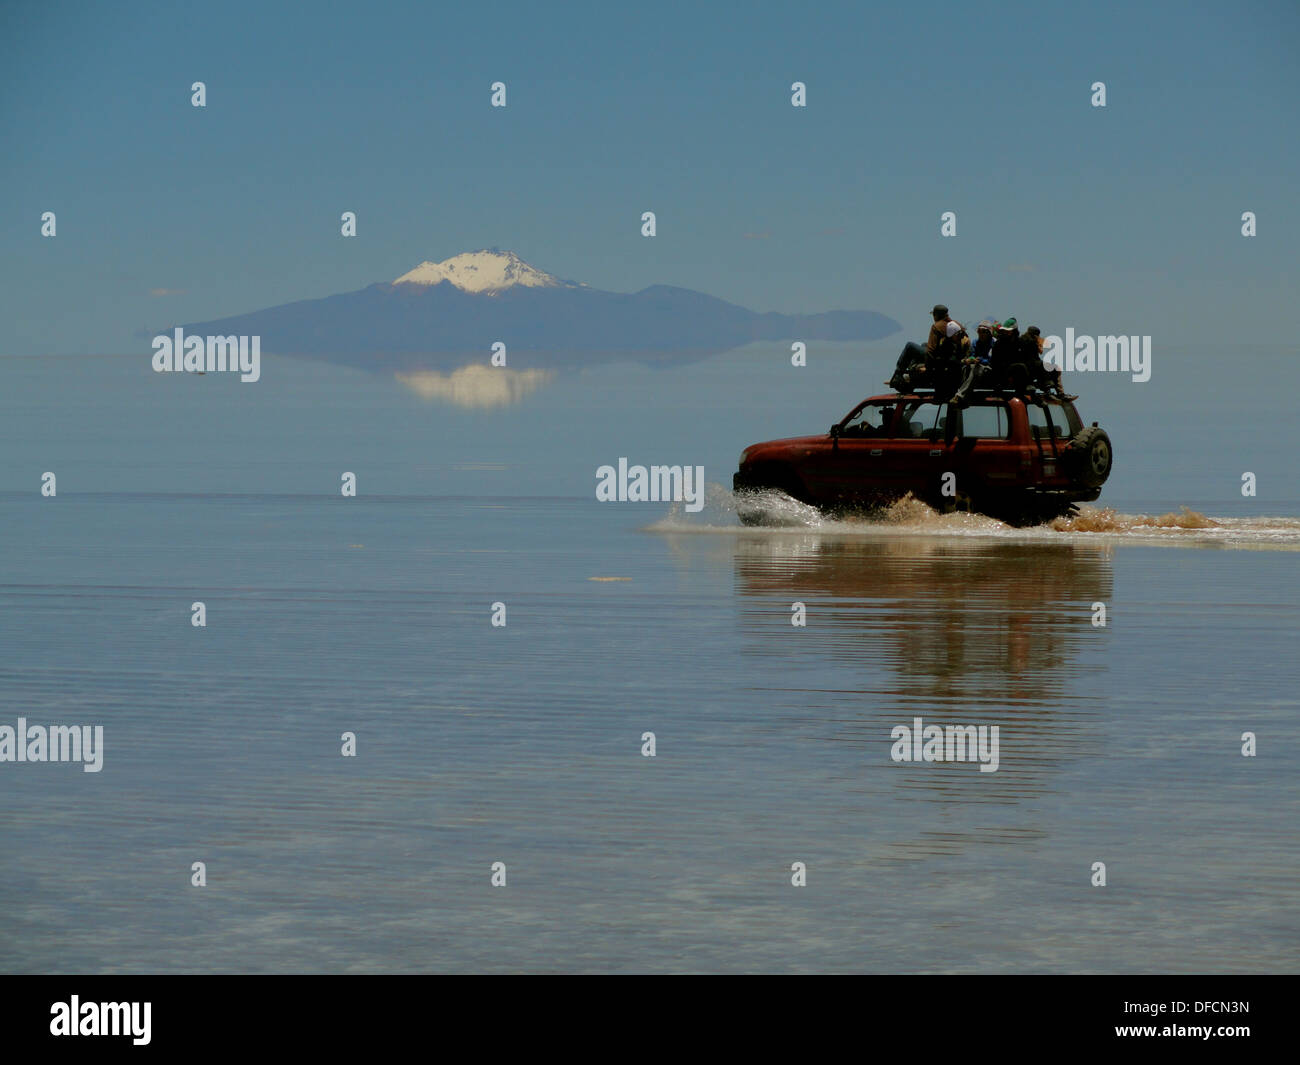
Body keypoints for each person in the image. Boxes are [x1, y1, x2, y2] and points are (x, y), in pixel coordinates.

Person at [889, 304, 952, 391]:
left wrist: (927, 368)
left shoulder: (937, 326)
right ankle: (913, 368)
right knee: (924, 345)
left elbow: (931, 350)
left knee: (910, 346)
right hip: (945, 358)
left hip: (939, 359)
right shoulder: (950, 324)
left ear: (936, 315)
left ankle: (898, 375)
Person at [948, 319, 997, 407]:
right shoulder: (975, 342)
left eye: (984, 332)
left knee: (976, 368)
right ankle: (964, 398)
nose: (981, 334)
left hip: (988, 369)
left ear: (989, 333)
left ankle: (960, 396)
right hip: (975, 367)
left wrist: (980, 360)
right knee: (966, 368)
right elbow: (972, 354)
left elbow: (991, 360)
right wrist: (971, 359)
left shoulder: (994, 343)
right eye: (979, 331)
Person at [1022, 326, 1078, 401]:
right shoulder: (1027, 341)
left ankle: (1060, 393)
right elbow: (1040, 351)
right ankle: (1048, 391)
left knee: (1056, 369)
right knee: (1044, 366)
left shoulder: (1032, 340)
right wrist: (1039, 343)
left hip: (1036, 365)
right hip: (1031, 367)